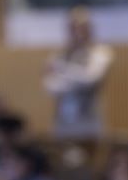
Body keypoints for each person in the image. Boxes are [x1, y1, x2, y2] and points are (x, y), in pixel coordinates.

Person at [43, 7, 113, 140]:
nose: (77, 33)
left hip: (89, 121)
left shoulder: (100, 53)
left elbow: (91, 78)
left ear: (90, 30)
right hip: (63, 122)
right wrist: (76, 77)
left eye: (82, 28)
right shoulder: (58, 55)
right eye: (73, 29)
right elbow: (51, 87)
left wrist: (62, 71)